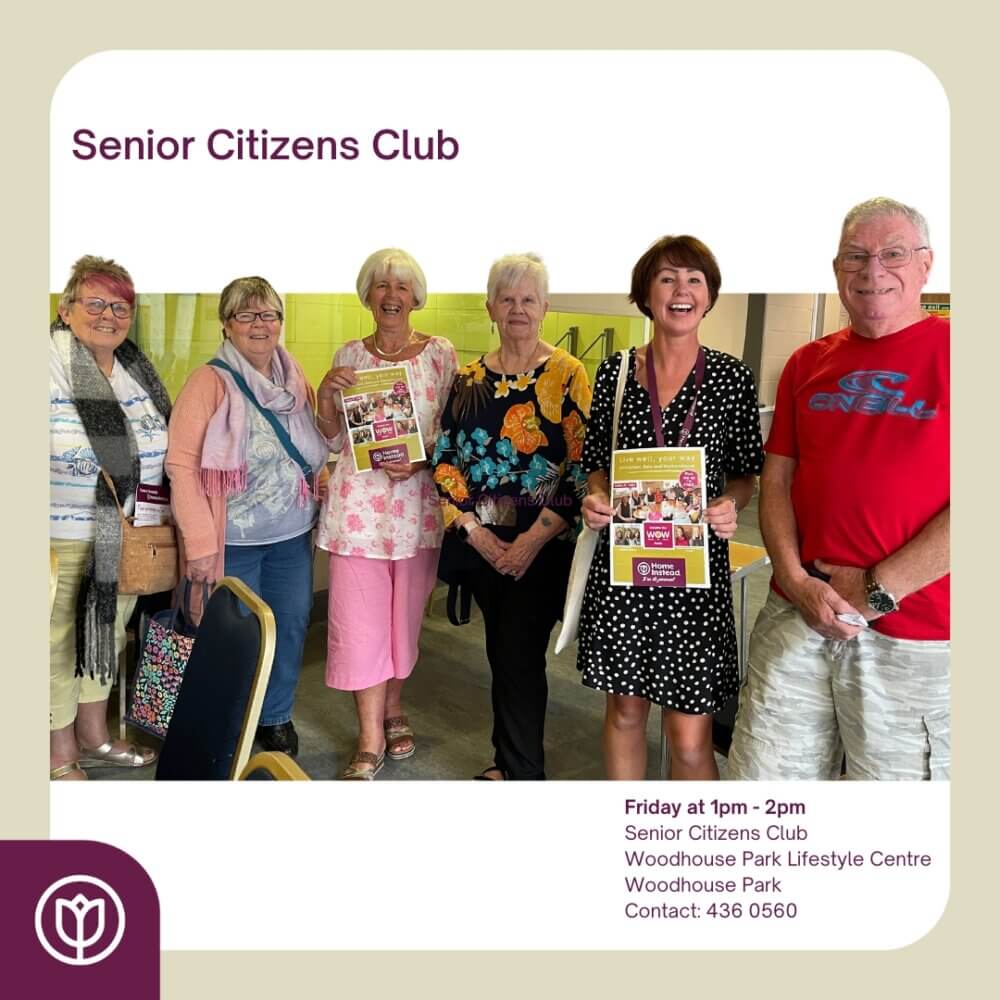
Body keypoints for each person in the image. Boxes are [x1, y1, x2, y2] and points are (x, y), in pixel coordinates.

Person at [728, 198, 950, 781]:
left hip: (914, 633)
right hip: (796, 610)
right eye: (856, 256)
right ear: (836, 270)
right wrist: (797, 581)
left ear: (926, 265)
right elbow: (777, 479)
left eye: (893, 254)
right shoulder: (806, 363)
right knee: (765, 788)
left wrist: (876, 591)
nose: (873, 270)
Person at [578, 235, 764, 781]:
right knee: (625, 712)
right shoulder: (614, 374)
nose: (681, 290)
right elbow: (596, 462)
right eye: (666, 278)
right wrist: (596, 497)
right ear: (645, 294)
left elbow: (745, 474)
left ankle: (689, 849)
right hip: (625, 568)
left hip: (693, 574)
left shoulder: (731, 377)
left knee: (688, 736)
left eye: (693, 280)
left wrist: (730, 503)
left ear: (708, 296)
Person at [432, 252, 591, 780]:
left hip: (542, 541)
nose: (518, 308)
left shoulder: (569, 374)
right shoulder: (468, 377)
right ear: (490, 308)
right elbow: (446, 463)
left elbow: (582, 467)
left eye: (528, 299)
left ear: (544, 307)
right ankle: (510, 761)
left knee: (520, 655)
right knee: (503, 650)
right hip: (482, 541)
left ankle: (522, 772)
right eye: (508, 298)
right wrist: (474, 533)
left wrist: (529, 542)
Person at [167, 276, 330, 757]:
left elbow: (314, 442)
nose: (260, 325)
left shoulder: (293, 376)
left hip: (291, 535)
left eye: (269, 315)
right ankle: (231, 719)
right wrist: (199, 544)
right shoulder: (208, 382)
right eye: (246, 315)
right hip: (232, 541)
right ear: (227, 324)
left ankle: (276, 716)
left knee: (291, 622)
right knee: (233, 636)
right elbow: (181, 465)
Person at [317, 249, 457, 779]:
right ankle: (370, 736)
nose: (391, 296)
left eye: (401, 287)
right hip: (357, 515)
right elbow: (330, 438)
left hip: (417, 512)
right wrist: (327, 399)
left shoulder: (440, 355)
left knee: (403, 625)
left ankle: (395, 707)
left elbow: (455, 434)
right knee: (359, 626)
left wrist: (420, 457)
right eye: (380, 286)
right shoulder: (349, 352)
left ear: (416, 297)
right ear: (367, 295)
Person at [49, 256, 170, 780]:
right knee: (55, 641)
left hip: (126, 530)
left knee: (108, 632)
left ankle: (94, 736)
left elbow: (162, 441)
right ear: (66, 308)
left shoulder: (133, 368)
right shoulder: (41, 359)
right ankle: (59, 754)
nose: (107, 315)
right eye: (94, 302)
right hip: (57, 532)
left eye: (120, 306)